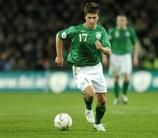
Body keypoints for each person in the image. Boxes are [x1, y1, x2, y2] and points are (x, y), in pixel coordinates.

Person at [55, 2, 111, 131]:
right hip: (80, 68)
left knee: (102, 100)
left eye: (94, 17)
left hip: (96, 67)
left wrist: (102, 48)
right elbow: (59, 36)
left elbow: (109, 51)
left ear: (98, 17)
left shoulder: (101, 31)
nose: (91, 20)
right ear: (85, 17)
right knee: (90, 93)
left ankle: (97, 123)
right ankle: (88, 108)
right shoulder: (76, 29)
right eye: (89, 17)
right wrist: (59, 56)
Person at [107, 15, 139, 105]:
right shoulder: (112, 31)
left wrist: (135, 57)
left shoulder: (130, 31)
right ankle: (117, 98)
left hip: (126, 56)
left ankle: (124, 95)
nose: (121, 22)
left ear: (126, 22)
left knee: (127, 76)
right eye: (119, 20)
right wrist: (104, 56)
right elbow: (107, 44)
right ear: (117, 22)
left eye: (123, 20)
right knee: (116, 77)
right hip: (115, 56)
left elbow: (135, 44)